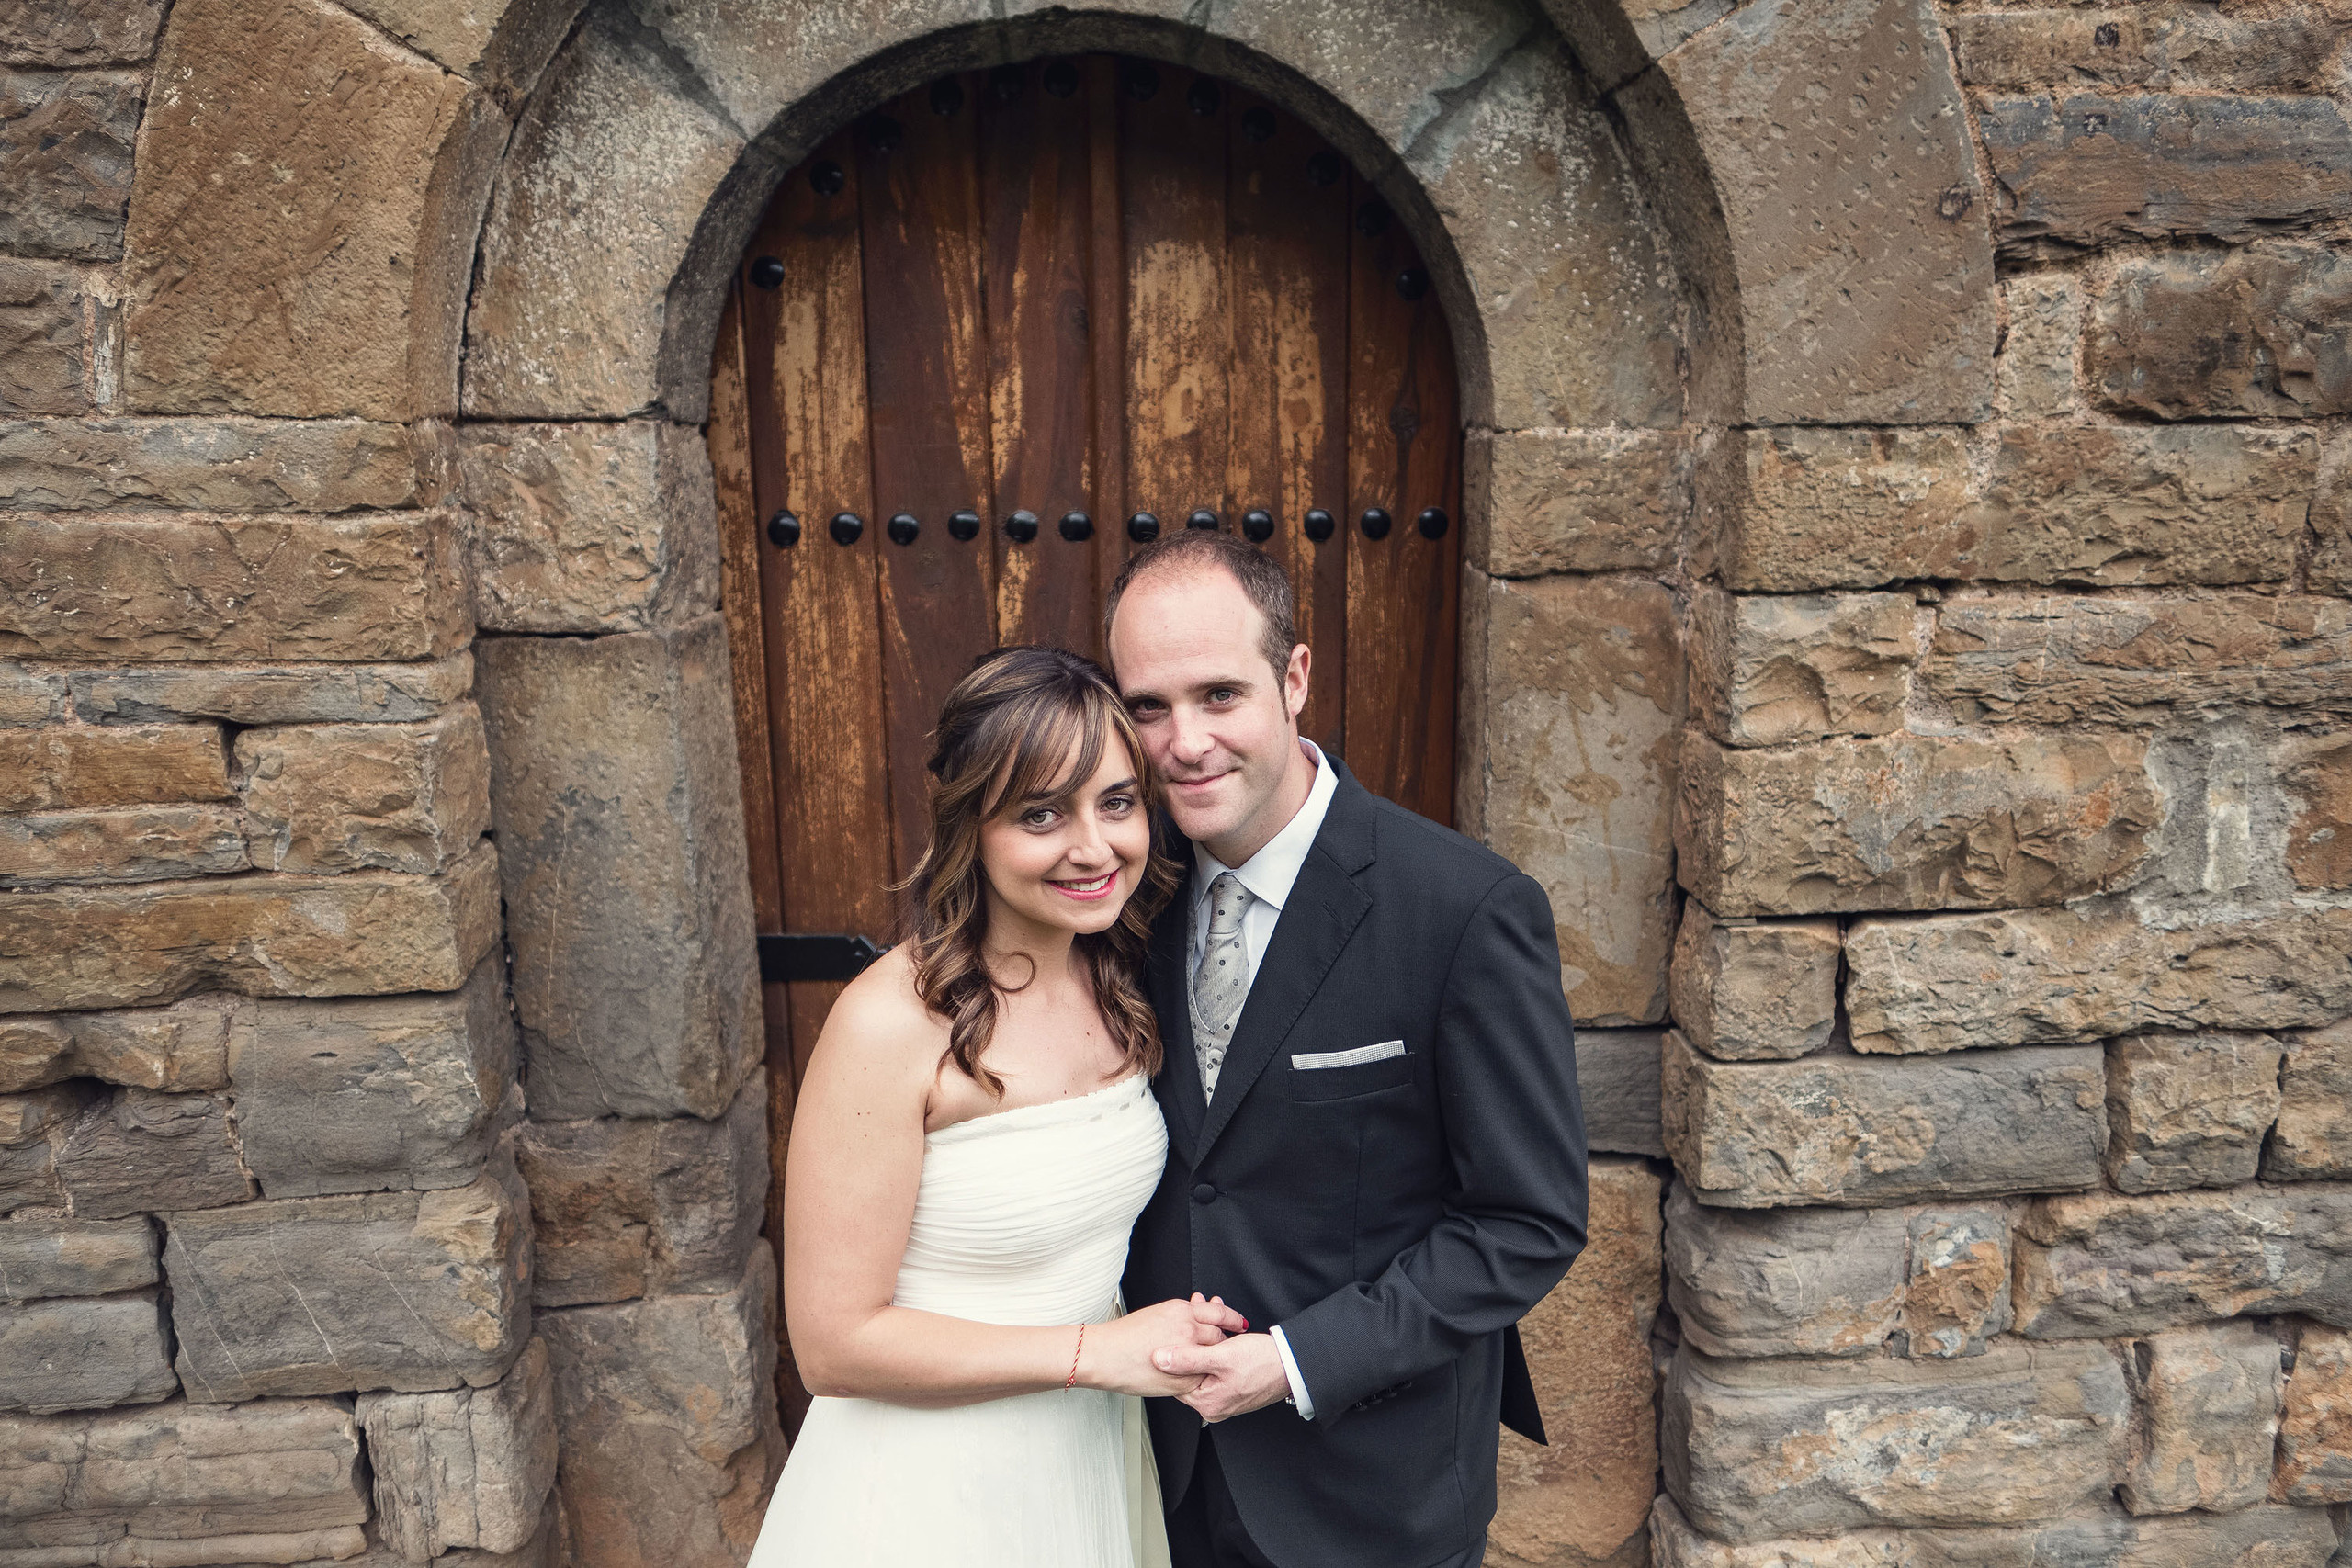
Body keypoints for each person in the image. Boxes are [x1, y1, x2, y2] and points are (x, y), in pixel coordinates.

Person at [1106, 531, 1589, 1568]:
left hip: (1371, 1497)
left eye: (1219, 695)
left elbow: (1526, 1222)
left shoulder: (1464, 909)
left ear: (1294, 678)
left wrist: (1292, 1361)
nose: (1184, 742)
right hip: (1158, 1482)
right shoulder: (1123, 898)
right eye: (1148, 707)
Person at [750, 646, 1244, 1567]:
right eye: (1040, 814)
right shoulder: (892, 1022)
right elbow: (832, 1345)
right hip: (930, 1485)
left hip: (1088, 1456)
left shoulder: (1118, 974)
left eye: (1116, 802)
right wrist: (1095, 1353)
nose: (1093, 847)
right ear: (968, 825)